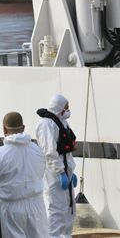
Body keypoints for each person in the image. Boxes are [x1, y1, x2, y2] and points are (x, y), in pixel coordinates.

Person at [36, 94, 78, 238]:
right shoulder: (47, 124)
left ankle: (66, 235)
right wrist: (60, 172)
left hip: (66, 171)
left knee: (69, 209)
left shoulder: (62, 122)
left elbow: (67, 152)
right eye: (66, 107)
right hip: (54, 174)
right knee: (56, 210)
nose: (68, 110)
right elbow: (49, 152)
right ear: (59, 108)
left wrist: (71, 172)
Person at [0, 112, 48, 237]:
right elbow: (41, 171)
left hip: (12, 208)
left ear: (4, 129)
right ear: (24, 128)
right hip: (37, 205)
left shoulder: (2, 154)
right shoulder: (37, 150)